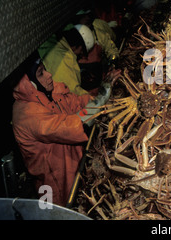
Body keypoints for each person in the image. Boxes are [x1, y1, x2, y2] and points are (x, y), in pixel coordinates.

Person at [11, 54, 117, 206]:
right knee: (59, 214)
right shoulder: (27, 115)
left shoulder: (51, 92)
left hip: (75, 168)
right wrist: (102, 97)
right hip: (54, 186)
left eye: (45, 69)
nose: (49, 75)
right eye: (41, 73)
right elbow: (74, 126)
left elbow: (80, 102)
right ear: (29, 84)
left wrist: (101, 98)